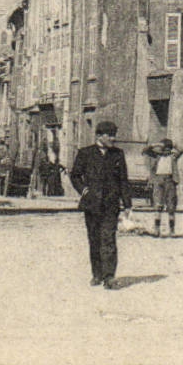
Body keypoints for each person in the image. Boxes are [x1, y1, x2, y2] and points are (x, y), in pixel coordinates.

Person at [68, 119, 132, 289]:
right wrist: (84, 191)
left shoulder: (118, 154)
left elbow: (123, 180)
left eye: (114, 135)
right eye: (109, 135)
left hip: (111, 204)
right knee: (94, 239)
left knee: (109, 239)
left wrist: (127, 204)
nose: (113, 138)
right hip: (92, 204)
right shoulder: (85, 153)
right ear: (99, 135)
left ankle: (109, 276)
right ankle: (97, 274)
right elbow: (75, 175)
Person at [141, 138, 183, 237]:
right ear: (161, 149)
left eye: (168, 149)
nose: (166, 151)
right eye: (164, 149)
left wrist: (173, 144)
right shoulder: (156, 156)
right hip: (158, 180)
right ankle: (157, 229)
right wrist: (156, 144)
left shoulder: (173, 156)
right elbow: (145, 151)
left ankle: (172, 230)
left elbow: (181, 150)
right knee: (158, 204)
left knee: (171, 205)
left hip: (170, 180)